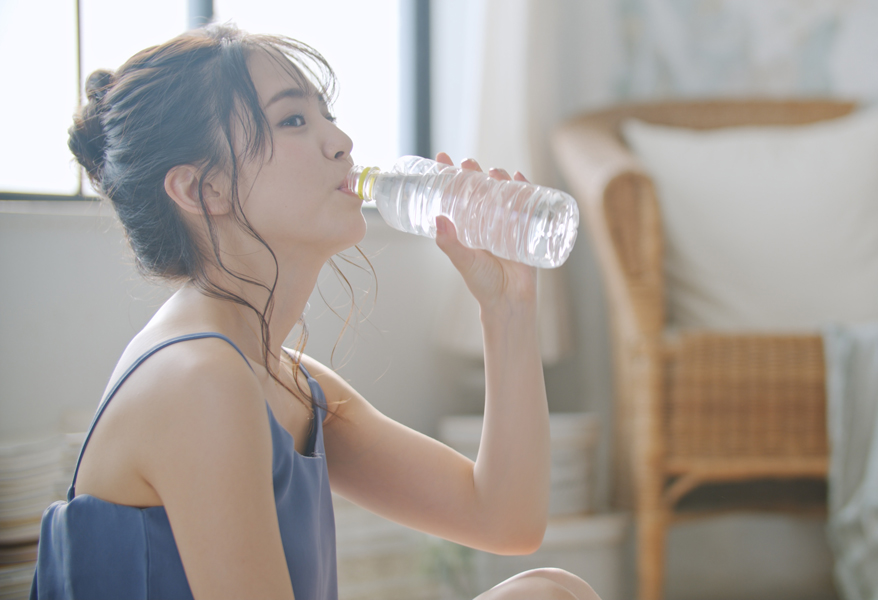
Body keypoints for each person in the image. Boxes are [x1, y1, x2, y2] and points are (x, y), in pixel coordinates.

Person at [31, 24, 601, 600]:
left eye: (326, 114)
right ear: (204, 191)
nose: (342, 141)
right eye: (294, 120)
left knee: (553, 590)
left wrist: (506, 309)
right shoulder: (199, 382)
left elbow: (503, 519)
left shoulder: (283, 378)